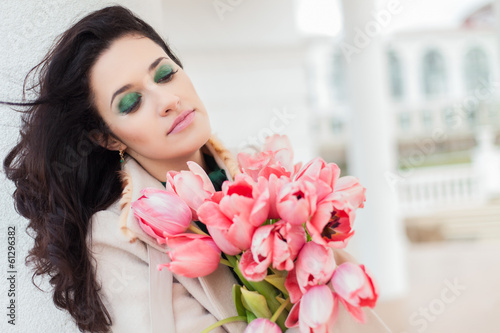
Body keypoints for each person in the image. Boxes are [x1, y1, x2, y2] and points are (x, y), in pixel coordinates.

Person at [3, 5, 392, 333]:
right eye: (131, 103)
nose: (168, 100)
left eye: (166, 74)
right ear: (109, 139)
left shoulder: (267, 174)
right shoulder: (117, 237)